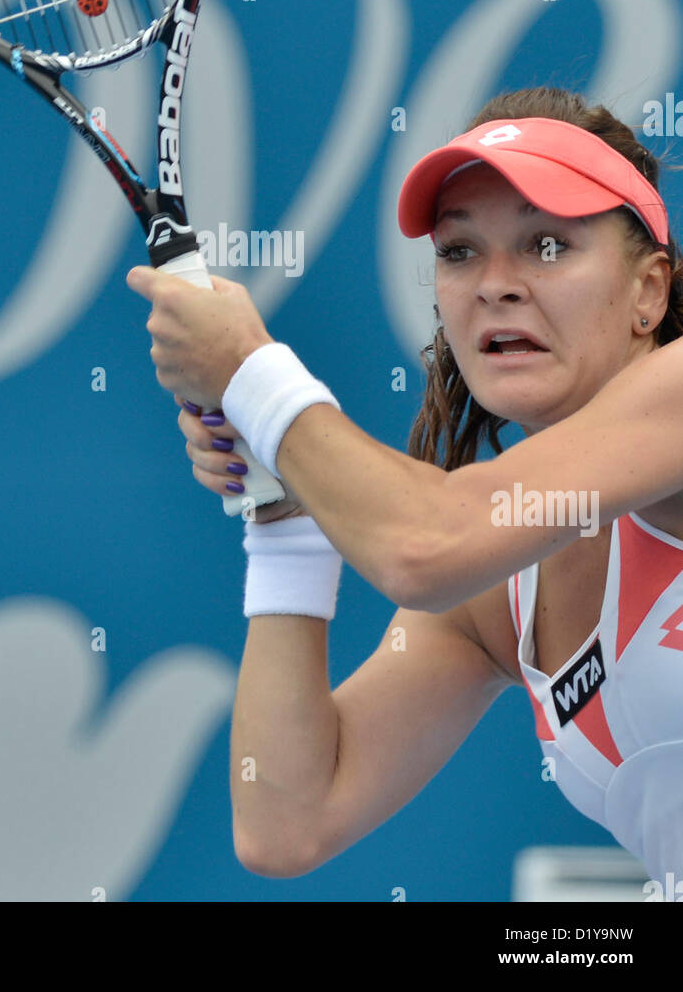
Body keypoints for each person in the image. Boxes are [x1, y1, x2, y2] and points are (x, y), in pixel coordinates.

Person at [126, 87, 683, 886]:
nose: (495, 283)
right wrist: (287, 515)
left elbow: (422, 545)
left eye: (547, 247)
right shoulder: (498, 588)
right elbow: (288, 817)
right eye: (460, 252)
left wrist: (253, 374)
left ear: (649, 292)